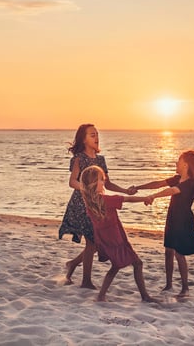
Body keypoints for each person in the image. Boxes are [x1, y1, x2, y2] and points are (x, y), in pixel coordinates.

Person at [133, 150, 194, 298]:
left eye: (178, 161)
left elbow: (172, 191)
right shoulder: (177, 178)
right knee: (168, 251)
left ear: (185, 165)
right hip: (172, 218)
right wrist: (138, 187)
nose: (176, 164)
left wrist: (153, 196)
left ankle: (185, 288)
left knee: (179, 254)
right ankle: (169, 284)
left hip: (183, 221)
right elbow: (158, 183)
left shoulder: (190, 184)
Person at [58, 124, 136, 289]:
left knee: (96, 243)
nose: (96, 137)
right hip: (81, 204)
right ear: (83, 139)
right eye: (92, 135)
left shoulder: (100, 160)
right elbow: (72, 182)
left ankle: (72, 264)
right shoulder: (79, 158)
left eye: (97, 134)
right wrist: (88, 188)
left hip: (97, 204)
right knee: (92, 243)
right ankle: (85, 281)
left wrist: (125, 191)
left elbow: (107, 184)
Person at [79, 165, 159, 303]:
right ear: (93, 183)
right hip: (116, 239)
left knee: (116, 266)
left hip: (106, 239)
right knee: (137, 264)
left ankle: (101, 296)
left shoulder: (90, 202)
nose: (104, 183)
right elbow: (126, 199)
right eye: (101, 180)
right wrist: (145, 198)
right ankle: (144, 296)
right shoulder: (104, 200)